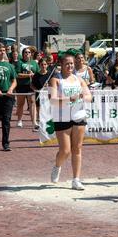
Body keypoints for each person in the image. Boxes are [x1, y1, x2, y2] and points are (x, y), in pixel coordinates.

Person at [48, 54, 92, 190]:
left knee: (77, 148)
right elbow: (52, 100)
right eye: (67, 64)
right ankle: (57, 166)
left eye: (72, 64)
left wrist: (83, 96)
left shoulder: (79, 79)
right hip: (62, 117)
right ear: (61, 64)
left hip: (79, 116)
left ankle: (76, 179)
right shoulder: (55, 80)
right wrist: (69, 99)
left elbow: (89, 96)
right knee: (65, 150)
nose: (70, 66)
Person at [15, 47, 39, 131]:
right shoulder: (19, 62)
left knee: (32, 103)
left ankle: (34, 122)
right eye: (25, 52)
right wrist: (27, 75)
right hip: (21, 85)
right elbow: (17, 74)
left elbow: (37, 73)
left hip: (31, 86)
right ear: (23, 54)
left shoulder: (34, 63)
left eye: (29, 52)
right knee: (21, 103)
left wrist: (34, 75)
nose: (27, 54)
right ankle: (19, 120)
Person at [31, 58, 54, 122]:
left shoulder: (50, 74)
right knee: (39, 111)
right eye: (42, 64)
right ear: (39, 65)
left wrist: (48, 85)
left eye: (45, 64)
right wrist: (36, 90)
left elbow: (54, 85)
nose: (43, 66)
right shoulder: (36, 75)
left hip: (48, 95)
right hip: (39, 94)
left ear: (47, 65)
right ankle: (40, 122)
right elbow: (32, 85)